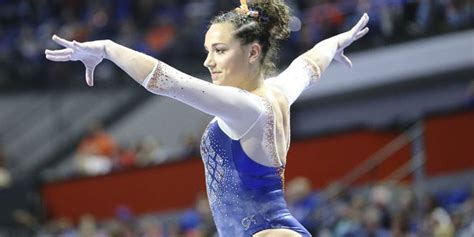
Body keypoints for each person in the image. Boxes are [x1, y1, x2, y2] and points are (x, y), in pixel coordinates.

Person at [45, 0, 369, 235]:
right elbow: (310, 64)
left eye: (219, 50)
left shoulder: (247, 108)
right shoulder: (278, 92)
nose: (208, 61)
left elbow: (167, 82)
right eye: (207, 50)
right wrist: (338, 42)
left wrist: (107, 48)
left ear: (253, 52)